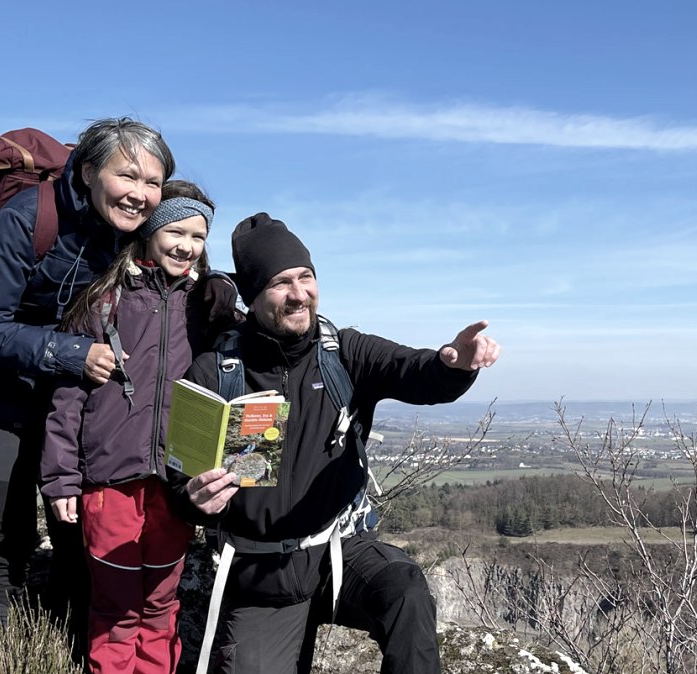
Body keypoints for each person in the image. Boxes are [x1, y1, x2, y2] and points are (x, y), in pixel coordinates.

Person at [174, 213, 501, 674]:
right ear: (251, 295)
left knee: (406, 590)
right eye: (280, 282)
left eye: (306, 277)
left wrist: (455, 366)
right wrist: (194, 500)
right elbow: (180, 479)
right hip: (261, 573)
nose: (298, 293)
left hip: (339, 552)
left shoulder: (343, 353)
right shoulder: (214, 373)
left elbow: (416, 373)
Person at [0, 117, 175, 629]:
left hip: (66, 406)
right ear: (90, 172)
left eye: (152, 182)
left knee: (79, 537)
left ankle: (65, 648)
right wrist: (70, 352)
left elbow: (182, 265)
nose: (140, 195)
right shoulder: (27, 219)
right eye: (128, 177)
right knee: (6, 541)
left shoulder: (133, 235)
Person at [42, 184, 231, 673]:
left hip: (174, 486)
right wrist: (61, 478)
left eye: (198, 235)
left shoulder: (204, 305)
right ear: (149, 230)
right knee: (115, 610)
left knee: (160, 606)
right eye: (176, 230)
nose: (187, 244)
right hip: (109, 482)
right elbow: (67, 399)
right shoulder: (104, 300)